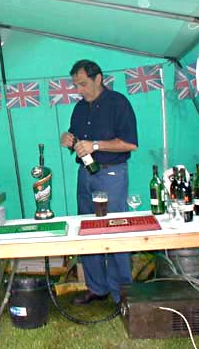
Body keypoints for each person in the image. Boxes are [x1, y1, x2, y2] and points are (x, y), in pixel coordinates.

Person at [60, 59, 138, 305]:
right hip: (85, 174)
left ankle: (122, 293)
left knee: (115, 230)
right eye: (76, 85)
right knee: (86, 230)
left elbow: (130, 143)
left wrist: (95, 144)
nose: (79, 90)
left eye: (83, 84)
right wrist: (68, 139)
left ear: (99, 78)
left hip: (112, 174)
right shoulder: (79, 108)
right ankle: (97, 287)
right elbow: (77, 142)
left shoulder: (119, 103)